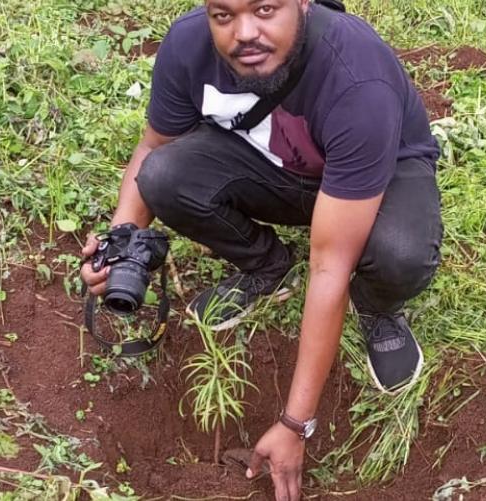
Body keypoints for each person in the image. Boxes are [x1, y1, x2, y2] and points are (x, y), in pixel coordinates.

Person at [80, 0, 442, 499]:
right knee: (162, 175)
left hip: (377, 175)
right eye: (223, 15)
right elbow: (153, 146)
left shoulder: (357, 77)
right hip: (275, 163)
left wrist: (295, 425)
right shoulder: (187, 43)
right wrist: (121, 242)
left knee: (400, 253)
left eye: (265, 8)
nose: (244, 32)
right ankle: (266, 264)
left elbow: (330, 265)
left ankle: (378, 306)